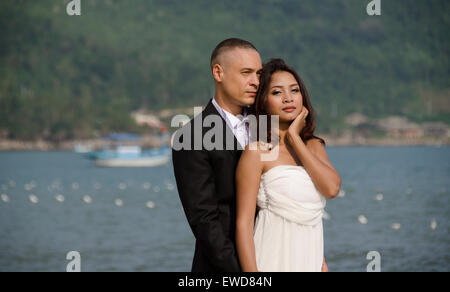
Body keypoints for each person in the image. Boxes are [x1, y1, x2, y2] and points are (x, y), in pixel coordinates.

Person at [235, 59, 341, 272]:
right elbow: (243, 225)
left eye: (294, 90)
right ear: (263, 101)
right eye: (276, 92)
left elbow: (331, 189)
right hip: (270, 262)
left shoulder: (314, 147)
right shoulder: (256, 152)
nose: (288, 98)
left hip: (311, 263)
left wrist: (294, 138)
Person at [172, 38, 262, 272]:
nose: (255, 82)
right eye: (246, 73)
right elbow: (204, 222)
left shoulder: (266, 127)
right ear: (218, 72)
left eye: (259, 74)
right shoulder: (190, 136)